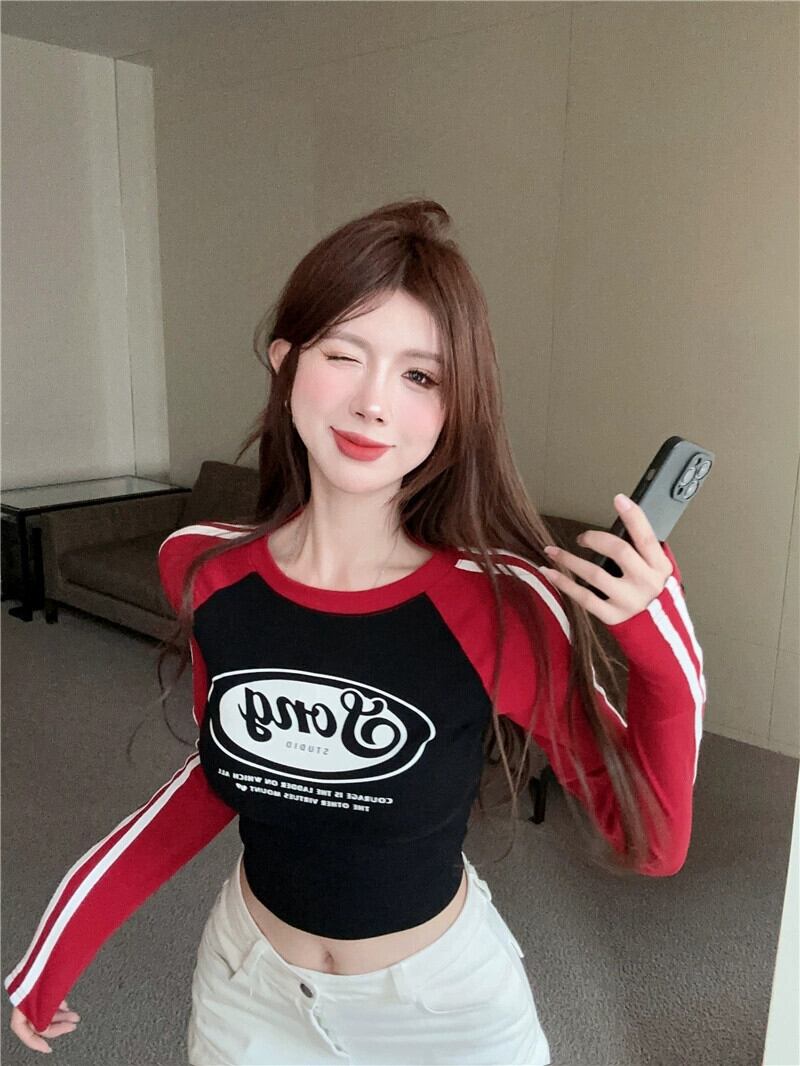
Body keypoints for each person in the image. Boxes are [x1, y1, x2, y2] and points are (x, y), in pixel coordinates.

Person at [7, 199, 706, 1064]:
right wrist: (62, 943)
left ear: (456, 408)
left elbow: (653, 843)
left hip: (442, 1015)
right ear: (285, 364)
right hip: (246, 992)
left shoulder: (501, 605)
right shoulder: (205, 569)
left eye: (421, 377)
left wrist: (659, 640)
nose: (373, 404)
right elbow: (220, 774)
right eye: (343, 354)